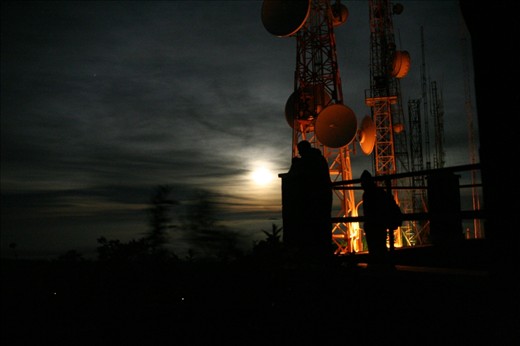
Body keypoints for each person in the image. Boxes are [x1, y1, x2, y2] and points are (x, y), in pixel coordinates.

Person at [285, 140, 333, 260]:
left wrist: (295, 164)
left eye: (301, 151)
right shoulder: (319, 159)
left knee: (314, 229)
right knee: (322, 228)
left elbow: (297, 175)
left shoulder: (309, 161)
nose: (300, 153)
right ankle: (324, 255)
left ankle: (316, 257)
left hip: (314, 200)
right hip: (323, 198)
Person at [360, 169, 393, 267]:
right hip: (379, 225)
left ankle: (377, 267)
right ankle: (383, 266)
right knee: (381, 247)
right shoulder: (380, 192)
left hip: (373, 226)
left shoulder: (367, 195)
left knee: (375, 248)